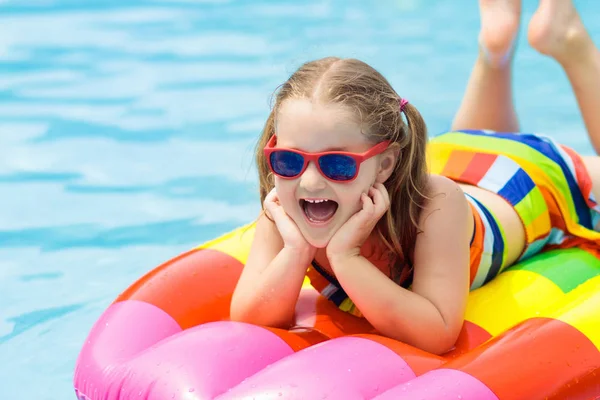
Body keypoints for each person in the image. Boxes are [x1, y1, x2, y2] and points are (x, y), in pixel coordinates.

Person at [230, 0, 600, 355]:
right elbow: (249, 319)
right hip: (461, 152)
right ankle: (495, 48)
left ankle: (570, 41)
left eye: (337, 165)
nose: (309, 182)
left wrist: (346, 258)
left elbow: (437, 332)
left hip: (530, 180)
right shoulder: (286, 208)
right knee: (477, 134)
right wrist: (296, 251)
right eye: (289, 161)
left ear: (386, 164)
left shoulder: (434, 205)